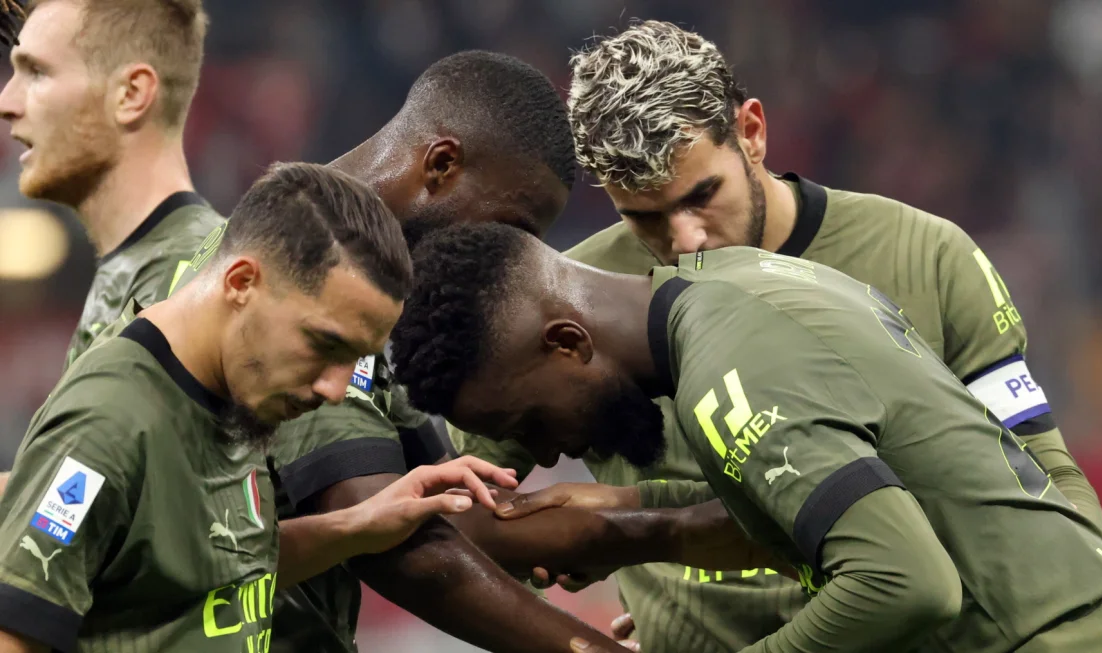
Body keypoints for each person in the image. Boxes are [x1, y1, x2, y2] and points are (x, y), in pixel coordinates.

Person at [452, 20, 1102, 651]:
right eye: (644, 217)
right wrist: (573, 641)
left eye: (701, 195)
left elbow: (1044, 481)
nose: (684, 241)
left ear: (752, 132)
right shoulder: (574, 298)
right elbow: (456, 512)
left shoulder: (925, 255)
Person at [395, 222, 1102, 653]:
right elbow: (859, 497)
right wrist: (633, 522)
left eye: (525, 422)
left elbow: (903, 579)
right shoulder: (737, 284)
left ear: (567, 343)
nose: (538, 452)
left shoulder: (731, 372)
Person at [167, 51, 633, 653]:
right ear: (441, 164)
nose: (505, 253)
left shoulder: (365, 289)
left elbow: (445, 511)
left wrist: (603, 532)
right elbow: (398, 548)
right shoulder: (300, 270)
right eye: (511, 226)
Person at [0, 163, 522, 653]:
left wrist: (358, 524)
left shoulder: (240, 393)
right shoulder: (110, 424)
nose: (336, 390)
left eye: (355, 361)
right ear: (241, 282)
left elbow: (215, 565)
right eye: (325, 345)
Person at [0, 0, 224, 496]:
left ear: (131, 94)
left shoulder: (218, 281)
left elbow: (378, 515)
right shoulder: (129, 278)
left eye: (35, 73)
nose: (7, 101)